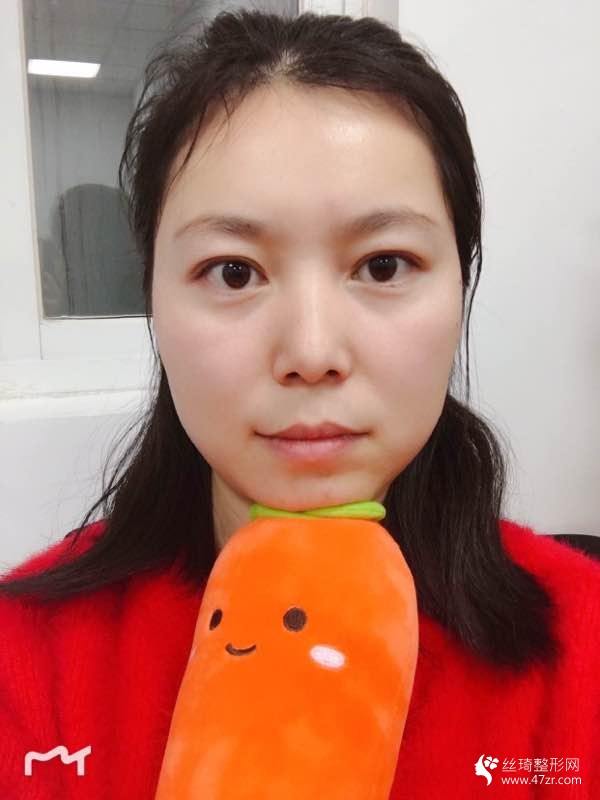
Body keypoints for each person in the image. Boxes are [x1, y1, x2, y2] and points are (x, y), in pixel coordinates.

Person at [1, 8, 598, 798]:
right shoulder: (26, 661)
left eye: (384, 265)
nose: (312, 353)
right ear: (152, 300)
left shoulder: (583, 646)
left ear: (461, 288)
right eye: (234, 272)